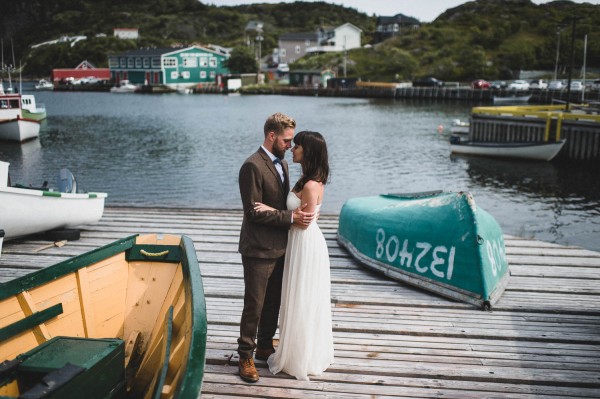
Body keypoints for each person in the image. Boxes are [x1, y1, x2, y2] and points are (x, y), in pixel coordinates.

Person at [237, 112, 316, 383]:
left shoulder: (282, 163)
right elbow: (252, 213)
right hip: (258, 248)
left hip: (281, 245)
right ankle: (245, 355)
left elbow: (278, 203)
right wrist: (291, 218)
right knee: (254, 304)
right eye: (286, 140)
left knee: (273, 301)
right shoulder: (252, 166)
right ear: (272, 136)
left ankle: (264, 344)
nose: (290, 146)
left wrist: (287, 215)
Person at [254, 130, 334, 381]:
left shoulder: (310, 185)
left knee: (302, 297)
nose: (292, 148)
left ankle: (301, 357)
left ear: (307, 151)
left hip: (306, 244)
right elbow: (297, 215)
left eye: (297, 145)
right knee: (294, 296)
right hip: (297, 243)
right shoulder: (305, 179)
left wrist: (268, 209)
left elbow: (303, 223)